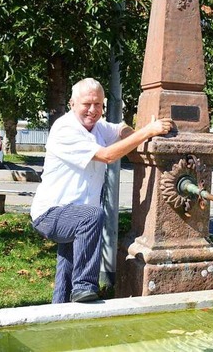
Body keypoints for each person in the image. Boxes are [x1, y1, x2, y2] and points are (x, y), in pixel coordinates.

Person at [30, 77, 173, 303]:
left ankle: (59, 311)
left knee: (67, 266)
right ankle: (84, 286)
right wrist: (147, 132)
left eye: (98, 104)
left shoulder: (98, 127)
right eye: (87, 104)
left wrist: (132, 134)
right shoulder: (65, 128)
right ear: (72, 104)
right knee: (91, 216)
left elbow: (120, 129)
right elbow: (108, 156)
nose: (93, 110)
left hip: (75, 215)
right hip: (50, 213)